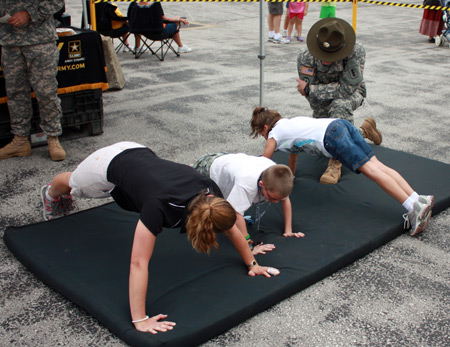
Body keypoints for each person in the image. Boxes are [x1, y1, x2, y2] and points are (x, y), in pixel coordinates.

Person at [40, 142, 279, 334]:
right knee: (75, 186)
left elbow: (230, 228)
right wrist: (140, 319)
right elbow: (138, 262)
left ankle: (61, 193)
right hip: (107, 163)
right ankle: (51, 193)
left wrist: (252, 263)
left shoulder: (210, 192)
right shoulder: (159, 207)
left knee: (104, 188)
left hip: (140, 152)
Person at [250, 107, 434, 237]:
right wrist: (291, 178)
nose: (264, 138)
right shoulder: (288, 124)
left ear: (265, 128)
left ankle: (412, 207)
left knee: (371, 171)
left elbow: (264, 162)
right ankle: (418, 198)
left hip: (332, 136)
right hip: (341, 125)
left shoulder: (274, 135)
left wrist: (255, 180)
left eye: (261, 134)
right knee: (378, 165)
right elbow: (293, 157)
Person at [296, 17, 382, 185]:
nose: (326, 59)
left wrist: (312, 90)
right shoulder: (305, 56)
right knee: (323, 138)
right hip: (320, 99)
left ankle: (336, 162)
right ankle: (364, 131)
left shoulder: (355, 51)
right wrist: (312, 92)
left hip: (353, 92)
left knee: (339, 106)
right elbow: (307, 93)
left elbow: (347, 89)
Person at [193, 152, 304, 254]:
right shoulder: (246, 184)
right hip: (210, 167)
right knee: (204, 202)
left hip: (234, 162)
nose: (275, 202)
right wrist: (250, 245)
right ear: (261, 184)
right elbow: (236, 214)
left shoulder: (281, 180)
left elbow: (285, 200)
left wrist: (288, 230)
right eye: (272, 198)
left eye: (278, 199)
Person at [0, 0, 66, 161]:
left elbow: (57, 2)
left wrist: (29, 13)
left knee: (46, 92)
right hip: (9, 41)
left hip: (40, 40)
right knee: (15, 93)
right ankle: (20, 140)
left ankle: (52, 137)